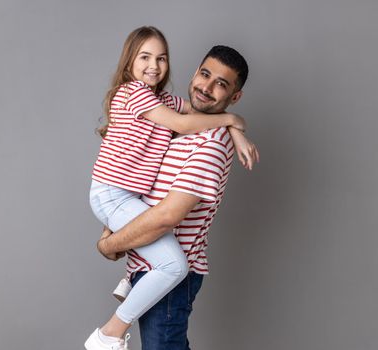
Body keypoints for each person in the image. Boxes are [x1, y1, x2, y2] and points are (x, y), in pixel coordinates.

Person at [85, 27, 258, 350]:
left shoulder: (206, 139)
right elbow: (186, 119)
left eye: (221, 84)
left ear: (234, 96)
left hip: (171, 276)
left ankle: (108, 334)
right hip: (123, 212)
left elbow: (166, 216)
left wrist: (109, 246)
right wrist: (234, 124)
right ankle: (121, 301)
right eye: (204, 74)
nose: (206, 87)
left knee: (173, 268)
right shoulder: (145, 97)